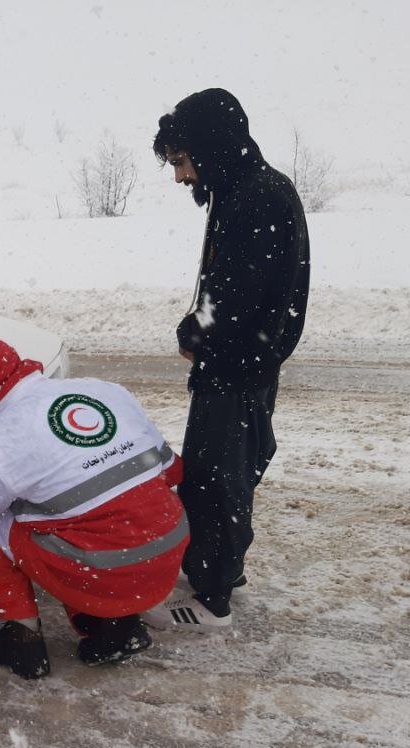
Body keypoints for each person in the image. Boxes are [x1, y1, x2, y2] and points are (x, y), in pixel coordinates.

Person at [0, 332, 188, 676]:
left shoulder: (0, 440)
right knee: (86, 519)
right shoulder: (103, 391)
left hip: (108, 569)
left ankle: (22, 641)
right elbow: (172, 470)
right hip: (168, 547)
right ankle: (116, 629)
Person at [145, 88, 310, 631]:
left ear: (211, 149)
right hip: (240, 361)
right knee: (225, 469)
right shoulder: (244, 189)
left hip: (238, 365)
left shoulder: (258, 196)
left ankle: (213, 597)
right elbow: (229, 289)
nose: (180, 177)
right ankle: (220, 568)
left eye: (181, 162)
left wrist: (196, 330)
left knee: (219, 476)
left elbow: (235, 296)